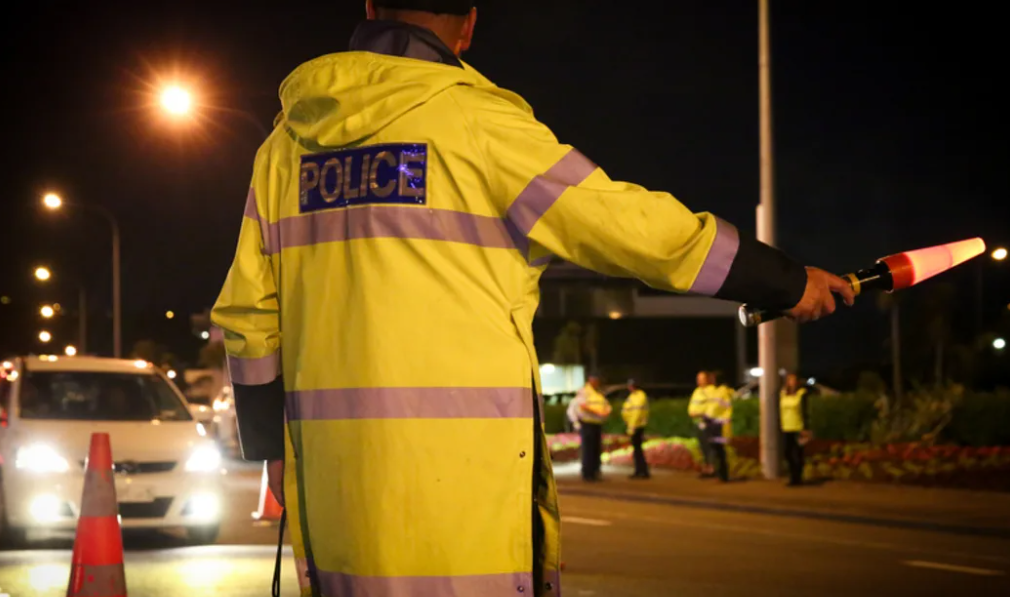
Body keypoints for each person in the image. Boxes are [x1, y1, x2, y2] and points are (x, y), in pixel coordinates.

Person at [210, 1, 855, 595]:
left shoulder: (281, 151)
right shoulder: (478, 124)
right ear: (467, 26)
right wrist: (785, 281)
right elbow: (628, 226)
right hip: (461, 501)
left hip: (333, 495)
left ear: (372, 9)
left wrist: (274, 452)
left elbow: (247, 320)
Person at [576, 374, 611, 481]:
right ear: (590, 380)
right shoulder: (584, 391)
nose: (596, 382)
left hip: (597, 424)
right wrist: (598, 413)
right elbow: (582, 405)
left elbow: (606, 404)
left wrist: (607, 411)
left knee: (596, 449)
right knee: (588, 449)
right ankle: (588, 473)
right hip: (588, 423)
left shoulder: (598, 392)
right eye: (595, 380)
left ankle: (595, 471)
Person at [780, 372, 812, 486]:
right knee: (787, 453)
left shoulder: (801, 393)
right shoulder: (783, 393)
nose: (791, 382)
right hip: (786, 427)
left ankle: (797, 478)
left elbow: (805, 411)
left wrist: (806, 428)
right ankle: (792, 475)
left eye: (793, 380)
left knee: (798, 453)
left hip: (798, 427)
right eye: (789, 380)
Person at [705, 371, 734, 483]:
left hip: (719, 425)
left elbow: (724, 409)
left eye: (712, 378)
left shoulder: (723, 391)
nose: (711, 380)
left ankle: (723, 475)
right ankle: (720, 474)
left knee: (719, 450)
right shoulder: (715, 391)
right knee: (716, 450)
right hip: (713, 424)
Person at [688, 371, 715, 477]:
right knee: (702, 446)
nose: (698, 380)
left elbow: (712, 407)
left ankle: (711, 469)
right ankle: (706, 468)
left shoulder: (712, 391)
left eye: (701, 378)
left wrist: (701, 414)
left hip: (707, 422)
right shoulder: (697, 391)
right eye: (697, 378)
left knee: (709, 446)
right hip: (697, 422)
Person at [621, 379, 650, 479]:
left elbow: (636, 414)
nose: (629, 387)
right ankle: (640, 470)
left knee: (638, 450)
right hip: (634, 425)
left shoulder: (639, 396)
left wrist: (631, 427)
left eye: (630, 385)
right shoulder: (634, 396)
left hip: (636, 426)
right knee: (637, 449)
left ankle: (642, 471)